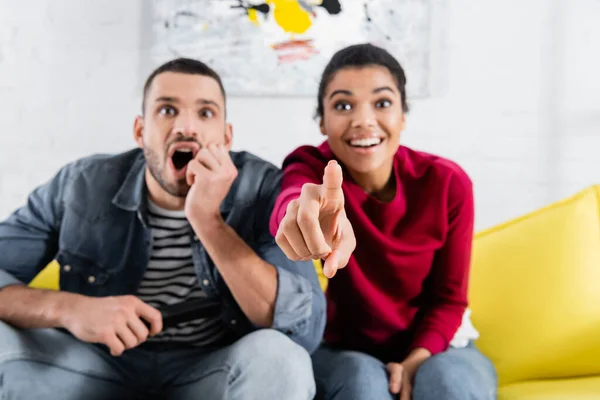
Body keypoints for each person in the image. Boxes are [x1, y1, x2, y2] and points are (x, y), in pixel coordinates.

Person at [0, 58, 325, 399]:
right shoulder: (81, 184)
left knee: (281, 358)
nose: (186, 127)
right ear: (140, 131)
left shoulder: (262, 189)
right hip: (95, 364)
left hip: (211, 368)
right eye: (167, 110)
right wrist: (68, 309)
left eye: (205, 113)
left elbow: (303, 330)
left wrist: (207, 220)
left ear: (226, 137)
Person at [270, 43, 497, 400]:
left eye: (382, 103)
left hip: (438, 345)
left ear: (403, 116)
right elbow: (293, 197)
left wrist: (415, 360)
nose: (363, 120)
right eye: (343, 105)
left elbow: (449, 301)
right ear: (322, 122)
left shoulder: (447, 183)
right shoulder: (313, 167)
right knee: (361, 382)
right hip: (344, 350)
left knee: (450, 383)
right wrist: (297, 214)